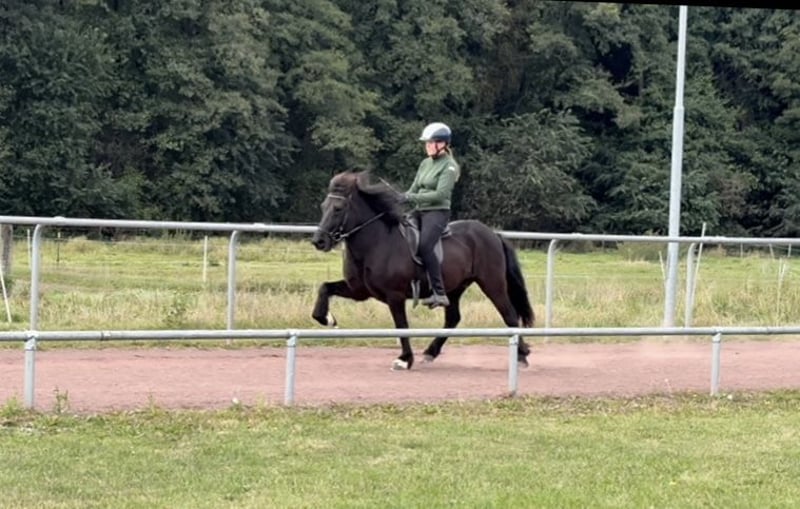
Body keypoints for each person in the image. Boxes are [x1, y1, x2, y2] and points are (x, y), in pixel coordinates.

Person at [401, 122, 460, 308]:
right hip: (420, 210)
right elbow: (414, 188)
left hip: (437, 212)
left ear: (442, 144)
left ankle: (439, 293)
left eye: (430, 143)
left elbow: (440, 195)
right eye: (426, 143)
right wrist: (402, 197)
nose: (427, 146)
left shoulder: (450, 167)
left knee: (426, 246)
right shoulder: (425, 163)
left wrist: (411, 197)